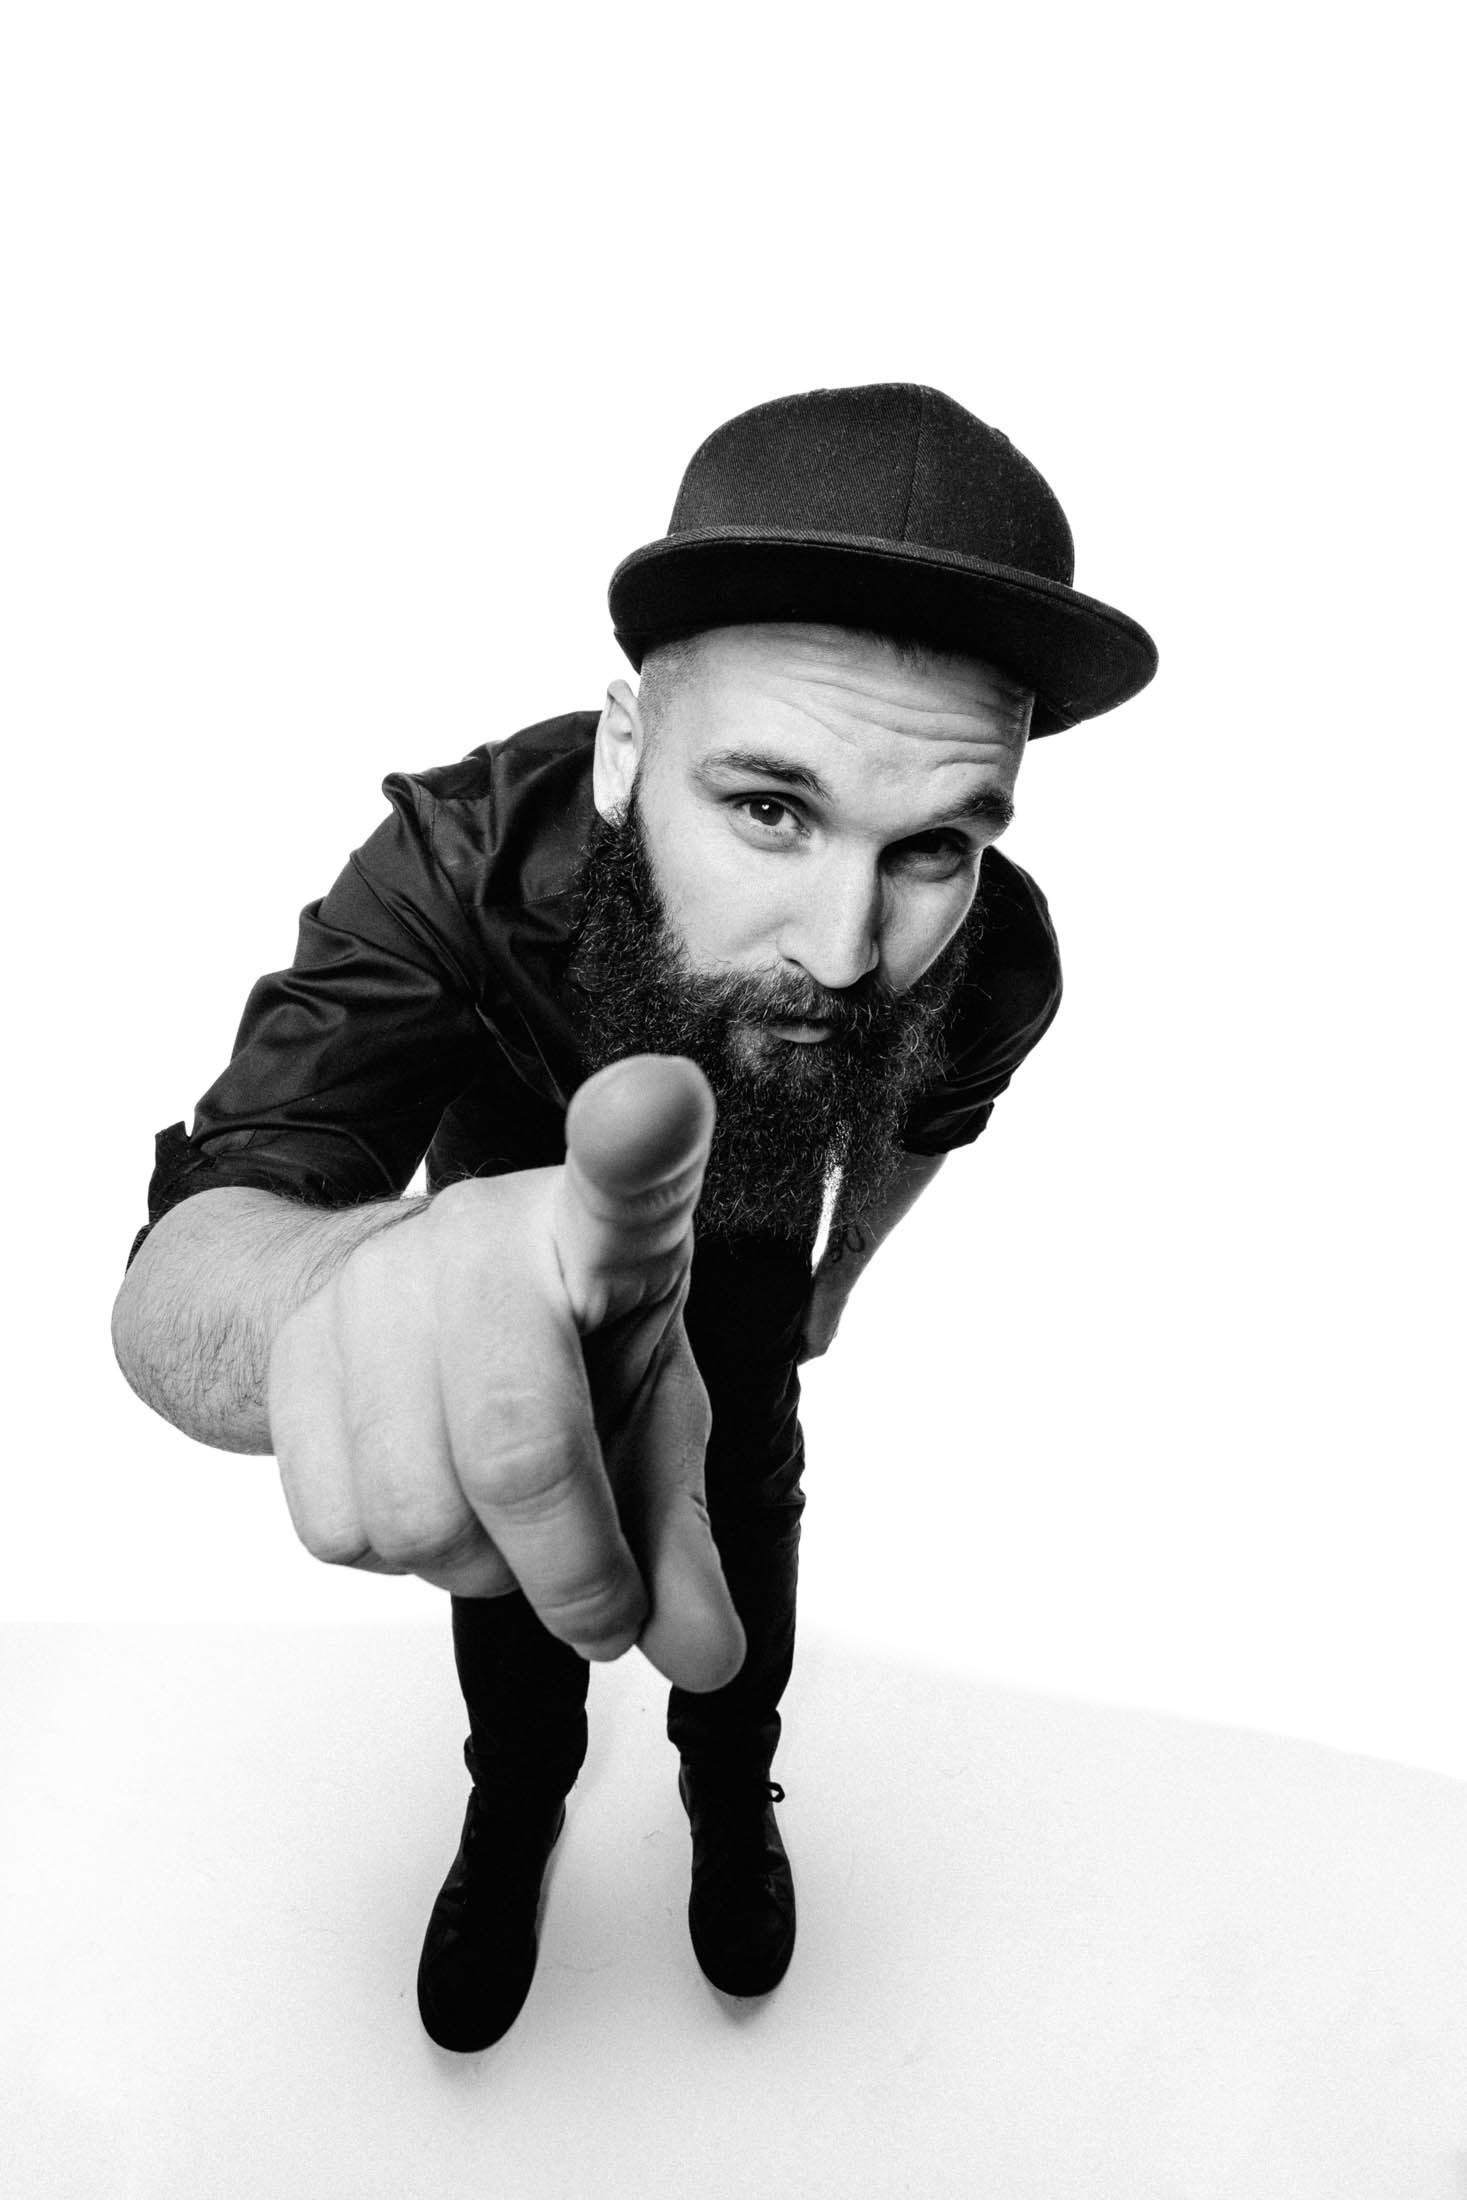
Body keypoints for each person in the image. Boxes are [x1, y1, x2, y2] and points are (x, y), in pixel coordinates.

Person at [111, 382, 1157, 2051]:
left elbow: (917, 1129)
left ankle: (732, 1800)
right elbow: (214, 1228)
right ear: (623, 750)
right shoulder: (455, 863)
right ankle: (513, 1809)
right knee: (524, 1503)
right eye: (770, 809)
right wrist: (349, 1290)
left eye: (929, 845)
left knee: (747, 1505)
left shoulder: (994, 956)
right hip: (496, 1261)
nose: (841, 948)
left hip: (749, 1261)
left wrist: (831, 1284)